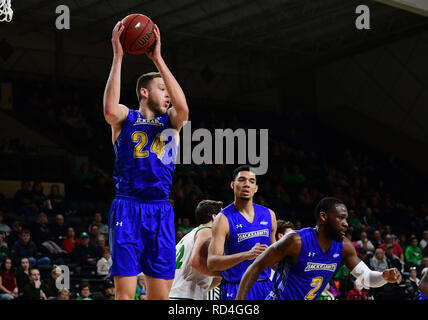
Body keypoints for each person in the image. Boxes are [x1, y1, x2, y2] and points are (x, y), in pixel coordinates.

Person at [104, 20, 188, 300]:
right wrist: (118, 55)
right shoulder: (125, 118)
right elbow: (107, 108)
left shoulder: (172, 122)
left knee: (160, 298)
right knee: (124, 295)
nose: (167, 95)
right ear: (144, 91)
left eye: (168, 90)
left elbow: (183, 107)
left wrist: (158, 58)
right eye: (161, 88)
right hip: (128, 206)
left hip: (160, 210)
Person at [236, 197, 401, 300]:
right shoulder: (295, 241)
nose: (346, 223)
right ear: (323, 217)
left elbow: (367, 278)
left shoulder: (343, 246)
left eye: (347, 219)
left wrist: (384, 276)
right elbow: (256, 266)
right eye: (341, 218)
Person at [207, 166, 277, 300]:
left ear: (255, 188)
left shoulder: (269, 215)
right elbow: (212, 263)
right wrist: (246, 255)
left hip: (265, 287)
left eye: (251, 181)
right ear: (233, 185)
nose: (247, 184)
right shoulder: (223, 219)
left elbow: (275, 258)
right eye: (242, 180)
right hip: (235, 287)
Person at [169, 200, 223, 300]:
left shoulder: (190, 235)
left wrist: (221, 275)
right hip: (186, 295)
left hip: (176, 293)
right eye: (223, 216)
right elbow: (195, 262)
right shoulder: (207, 231)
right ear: (214, 217)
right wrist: (226, 272)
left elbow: (212, 279)